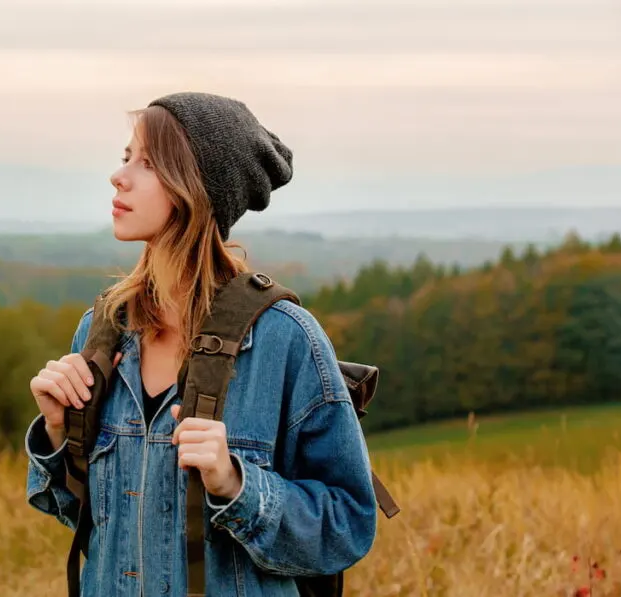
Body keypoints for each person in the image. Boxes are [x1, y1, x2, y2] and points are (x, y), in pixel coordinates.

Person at [23, 91, 377, 596]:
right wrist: (60, 431)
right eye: (126, 158)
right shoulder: (102, 329)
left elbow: (349, 525)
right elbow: (98, 522)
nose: (118, 176)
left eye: (148, 163)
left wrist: (235, 483)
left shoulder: (285, 338)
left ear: (197, 188)